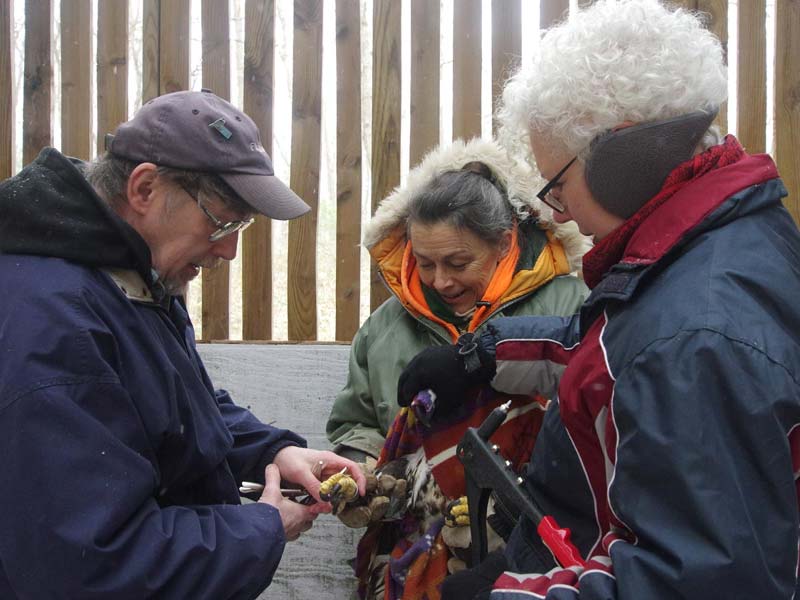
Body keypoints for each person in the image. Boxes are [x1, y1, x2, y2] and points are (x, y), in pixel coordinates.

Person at [397, 1, 800, 598]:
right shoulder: (711, 245)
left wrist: (508, 596)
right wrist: (482, 356)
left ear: (623, 160)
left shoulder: (698, 338)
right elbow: (618, 355)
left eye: (557, 185)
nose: (557, 212)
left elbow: (696, 582)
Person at [0, 89, 364, 599]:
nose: (230, 250)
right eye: (221, 221)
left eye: (242, 225)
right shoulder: (54, 323)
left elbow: (170, 403)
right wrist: (263, 528)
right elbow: (91, 566)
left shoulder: (128, 273)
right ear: (145, 188)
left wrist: (272, 450)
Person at [325, 138, 590, 598]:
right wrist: (361, 473)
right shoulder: (383, 329)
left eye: (458, 262)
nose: (440, 280)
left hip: (533, 565)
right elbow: (360, 423)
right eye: (424, 263)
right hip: (410, 566)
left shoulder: (569, 308)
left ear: (505, 241)